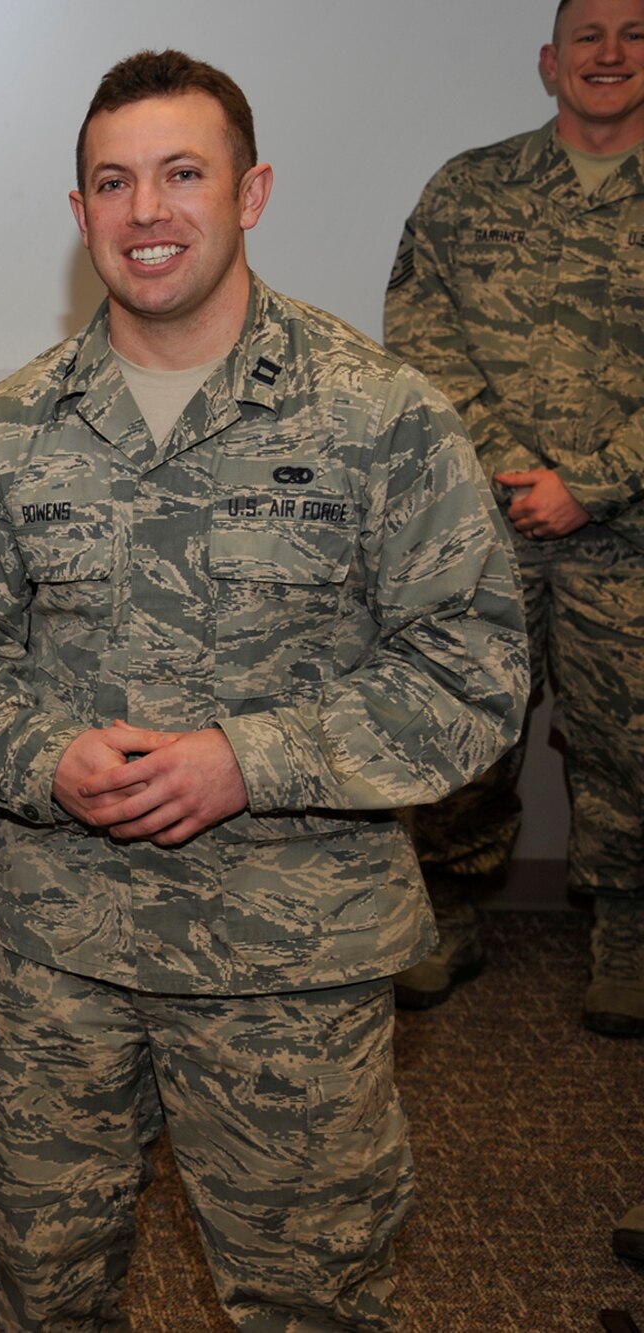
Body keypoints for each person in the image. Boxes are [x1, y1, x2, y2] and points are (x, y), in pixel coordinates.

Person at [0, 50, 527, 1330]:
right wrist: (43, 757)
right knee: (44, 1289)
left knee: (309, 1299)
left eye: (182, 174)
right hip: (62, 966)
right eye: (113, 183)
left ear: (251, 193)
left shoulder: (378, 415)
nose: (146, 212)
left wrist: (251, 758)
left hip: (287, 964)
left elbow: (470, 668)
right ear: (77, 216)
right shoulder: (8, 430)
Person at [384, 0, 644, 1037]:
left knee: (627, 742)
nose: (609, 53)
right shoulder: (466, 188)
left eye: (633, 33)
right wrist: (509, 467)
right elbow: (417, 332)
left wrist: (592, 480)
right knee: (462, 728)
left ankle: (625, 930)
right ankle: (444, 908)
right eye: (587, 35)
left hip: (626, 538)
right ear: (547, 61)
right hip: (484, 529)